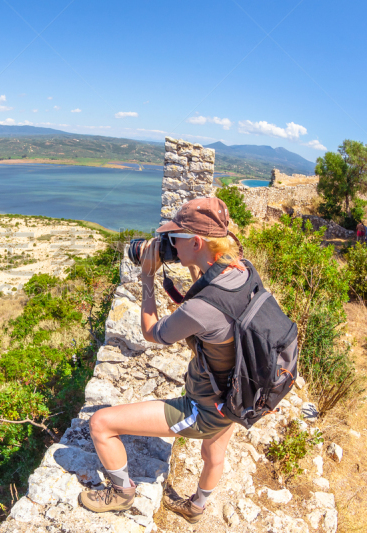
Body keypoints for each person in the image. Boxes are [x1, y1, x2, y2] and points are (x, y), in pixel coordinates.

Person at [79, 197, 245, 524]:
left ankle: (121, 493)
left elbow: (152, 332)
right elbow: (204, 285)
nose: (171, 245)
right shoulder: (240, 272)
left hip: (205, 408)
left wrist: (147, 278)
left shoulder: (203, 307)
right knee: (214, 455)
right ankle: (196, 508)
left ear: (197, 242)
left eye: (176, 239)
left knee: (100, 424)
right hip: (238, 396)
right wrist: (188, 260)